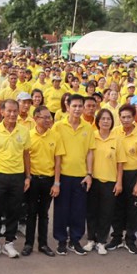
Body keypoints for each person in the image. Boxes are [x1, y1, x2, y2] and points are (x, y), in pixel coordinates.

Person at [0, 99, 31, 259]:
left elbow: (26, 155)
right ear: (2, 112)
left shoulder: (24, 131)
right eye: (9, 111)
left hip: (17, 176)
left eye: (15, 111)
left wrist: (28, 177)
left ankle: (9, 242)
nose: (12, 114)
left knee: (14, 210)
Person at [53, 94, 94, 256]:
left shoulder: (88, 128)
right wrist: (56, 180)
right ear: (67, 107)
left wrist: (89, 173)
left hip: (81, 176)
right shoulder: (58, 126)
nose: (77, 109)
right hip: (63, 174)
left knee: (78, 211)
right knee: (61, 210)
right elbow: (55, 153)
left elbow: (90, 152)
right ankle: (61, 241)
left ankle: (75, 240)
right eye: (74, 106)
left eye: (80, 106)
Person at [23, 105, 63, 257]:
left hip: (49, 180)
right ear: (35, 118)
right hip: (33, 179)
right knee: (31, 212)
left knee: (44, 213)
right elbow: (25, 158)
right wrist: (27, 177)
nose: (48, 120)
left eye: (49, 117)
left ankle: (43, 244)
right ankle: (28, 244)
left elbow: (58, 160)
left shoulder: (55, 136)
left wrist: (56, 183)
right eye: (44, 117)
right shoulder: (28, 135)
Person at [107, 104, 137, 254]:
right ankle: (116, 238)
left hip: (133, 174)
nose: (126, 120)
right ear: (119, 118)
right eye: (123, 117)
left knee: (133, 209)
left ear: (134, 117)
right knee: (117, 207)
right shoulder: (115, 132)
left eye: (129, 117)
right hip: (117, 174)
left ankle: (130, 240)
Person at [83, 109, 122, 255]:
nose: (106, 121)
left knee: (106, 213)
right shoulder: (92, 136)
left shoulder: (117, 139)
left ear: (112, 122)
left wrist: (119, 182)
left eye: (108, 119)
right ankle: (91, 240)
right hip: (93, 180)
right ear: (98, 121)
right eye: (103, 119)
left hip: (110, 181)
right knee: (91, 211)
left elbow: (120, 163)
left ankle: (101, 241)